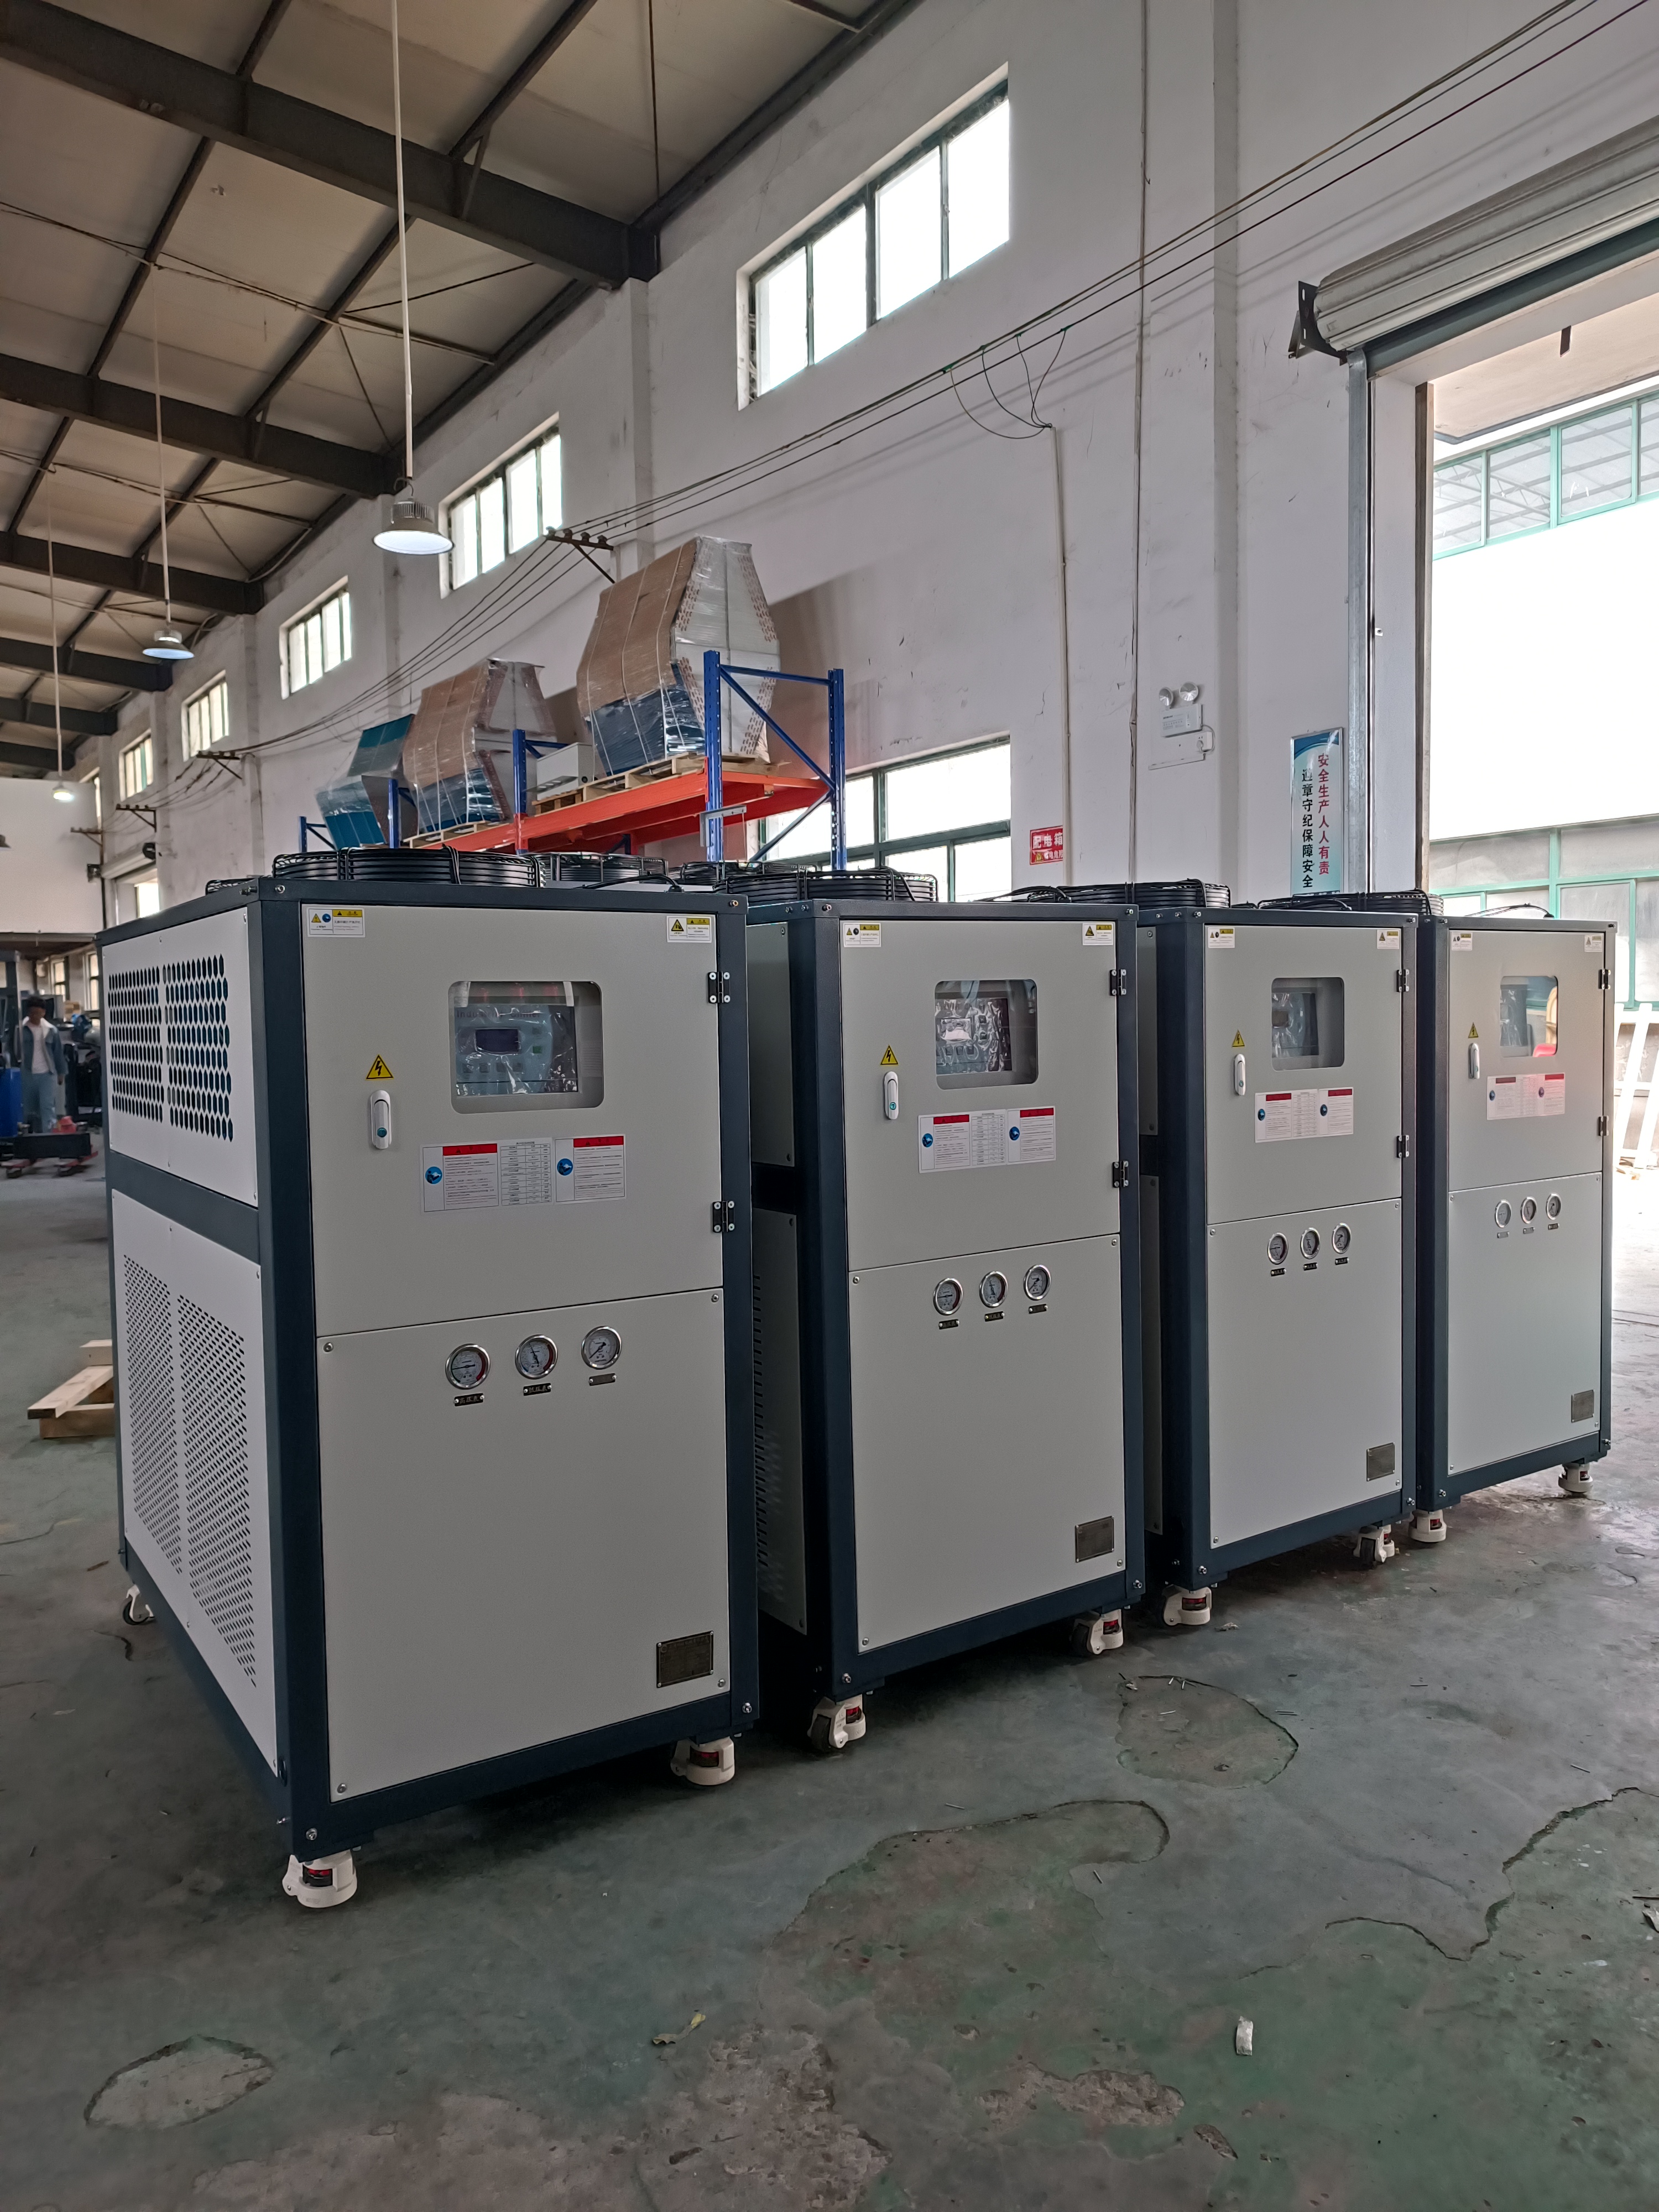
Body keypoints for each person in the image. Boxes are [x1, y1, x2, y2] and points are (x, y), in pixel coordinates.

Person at [14, 997, 65, 1133]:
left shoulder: (51, 1030)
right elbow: (14, 1051)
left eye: (38, 1013)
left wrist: (61, 1073)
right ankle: (29, 1137)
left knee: (47, 1107)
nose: (34, 1016)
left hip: (47, 1074)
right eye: (32, 1013)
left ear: (43, 1013)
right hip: (27, 1074)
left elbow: (58, 1053)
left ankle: (48, 1137)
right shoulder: (21, 1029)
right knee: (28, 1108)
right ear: (28, 1012)